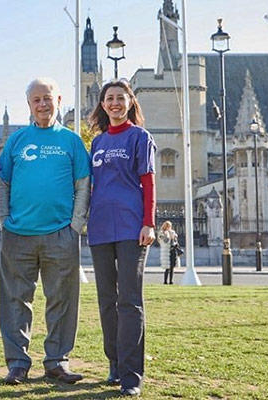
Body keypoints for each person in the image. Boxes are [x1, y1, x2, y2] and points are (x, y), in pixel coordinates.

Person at [0, 77, 91, 385]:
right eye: (36, 99)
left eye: (47, 98)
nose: (42, 104)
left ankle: (56, 361)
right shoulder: (17, 140)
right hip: (18, 234)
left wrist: (75, 225)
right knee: (15, 301)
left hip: (60, 234)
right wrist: (3, 219)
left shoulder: (72, 141)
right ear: (29, 105)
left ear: (59, 100)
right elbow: (3, 182)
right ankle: (18, 363)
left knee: (62, 299)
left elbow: (83, 185)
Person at [87, 79, 157, 397]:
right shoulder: (97, 142)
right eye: (109, 98)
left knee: (129, 302)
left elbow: (148, 182)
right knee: (106, 302)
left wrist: (149, 223)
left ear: (130, 101)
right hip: (100, 229)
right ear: (102, 105)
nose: (114, 103)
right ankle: (114, 363)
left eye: (120, 97)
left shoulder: (140, 137)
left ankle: (132, 375)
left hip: (131, 228)